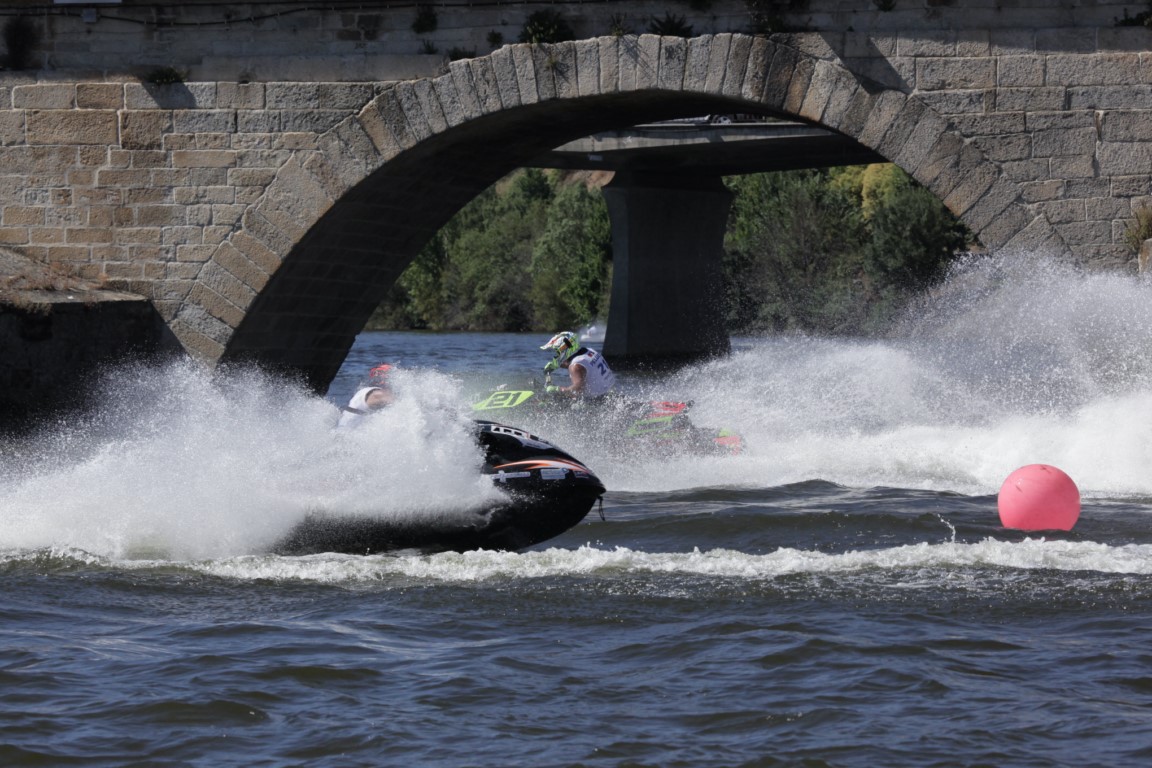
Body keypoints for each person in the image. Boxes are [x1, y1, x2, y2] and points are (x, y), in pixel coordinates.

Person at [540, 331, 616, 398]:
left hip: (598, 401)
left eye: (557, 352)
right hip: (611, 394)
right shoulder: (589, 351)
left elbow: (577, 390)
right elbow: (584, 368)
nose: (556, 355)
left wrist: (557, 389)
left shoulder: (575, 366)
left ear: (564, 350)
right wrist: (555, 366)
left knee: (555, 398)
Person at [336, 363, 396, 429]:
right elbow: (397, 401)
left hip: (345, 434)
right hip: (347, 436)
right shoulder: (376, 394)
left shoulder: (363, 392)